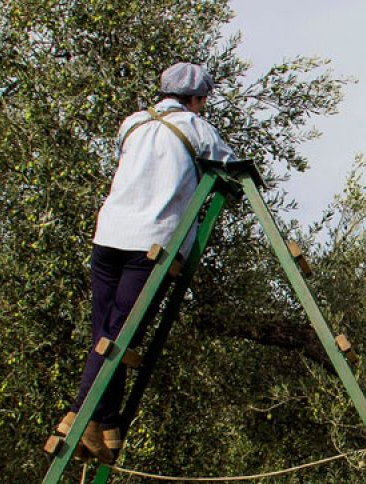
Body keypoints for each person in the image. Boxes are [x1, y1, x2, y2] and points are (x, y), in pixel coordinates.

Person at [58, 62, 238, 462]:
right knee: (121, 335)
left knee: (105, 333)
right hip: (150, 243)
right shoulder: (196, 128)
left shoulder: (133, 123)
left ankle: (106, 426)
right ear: (195, 99)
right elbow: (234, 167)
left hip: (108, 236)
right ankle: (78, 415)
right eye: (203, 100)